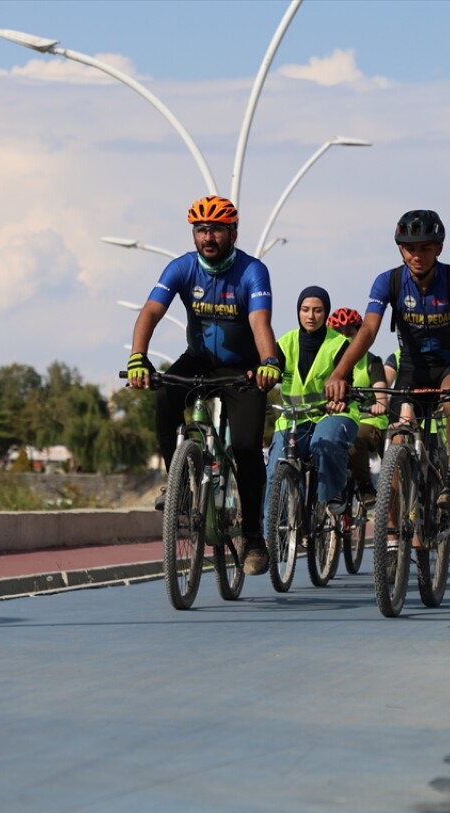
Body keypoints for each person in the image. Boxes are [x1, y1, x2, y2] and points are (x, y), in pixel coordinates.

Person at [127, 195, 280, 575]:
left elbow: (261, 321)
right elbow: (150, 311)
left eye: (216, 230)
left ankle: (254, 538)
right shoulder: (181, 268)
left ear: (233, 232)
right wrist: (138, 357)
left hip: (244, 368)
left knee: (245, 448)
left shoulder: (252, 271)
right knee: (164, 395)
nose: (208, 237)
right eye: (201, 230)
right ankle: (176, 484)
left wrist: (269, 362)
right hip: (199, 362)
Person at [323, 210, 450, 510]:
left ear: (438, 248)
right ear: (400, 249)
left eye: (425, 247)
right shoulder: (388, 281)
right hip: (412, 368)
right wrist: (339, 373)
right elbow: (368, 331)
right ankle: (392, 540)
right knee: (397, 448)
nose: (417, 255)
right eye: (410, 248)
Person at [265, 289, 361, 524]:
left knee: (323, 442)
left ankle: (331, 494)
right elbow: (270, 374)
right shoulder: (285, 343)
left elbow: (346, 380)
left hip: (331, 414)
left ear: (325, 313)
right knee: (274, 470)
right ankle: (272, 536)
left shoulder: (338, 344)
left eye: (317, 310)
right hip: (292, 419)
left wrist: (340, 399)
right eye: (305, 310)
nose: (310, 316)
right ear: (298, 311)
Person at [327, 306, 387, 507]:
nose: (345, 339)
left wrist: (380, 404)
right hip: (337, 417)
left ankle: (364, 485)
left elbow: (381, 391)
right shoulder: (326, 359)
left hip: (367, 420)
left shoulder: (371, 361)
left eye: (350, 333)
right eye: (338, 334)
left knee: (353, 440)